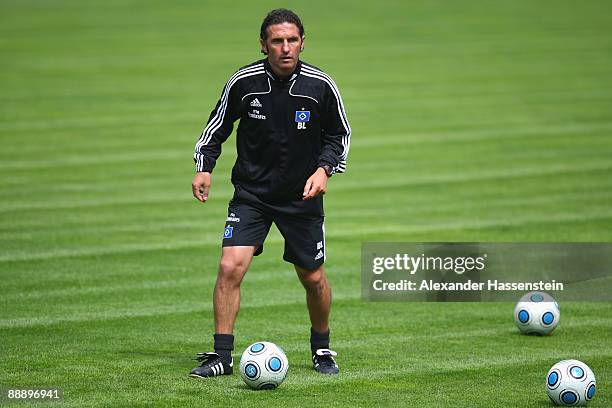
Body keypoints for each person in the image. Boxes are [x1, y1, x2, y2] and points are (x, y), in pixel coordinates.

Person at [189, 8, 351, 378]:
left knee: (312, 278)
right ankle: (222, 356)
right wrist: (204, 166)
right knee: (230, 266)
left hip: (302, 198)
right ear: (263, 45)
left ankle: (322, 347)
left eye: (292, 40)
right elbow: (216, 126)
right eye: (277, 41)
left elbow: (339, 135)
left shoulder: (320, 86)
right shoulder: (243, 83)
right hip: (252, 195)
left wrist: (325, 170)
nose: (285, 48)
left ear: (302, 43)